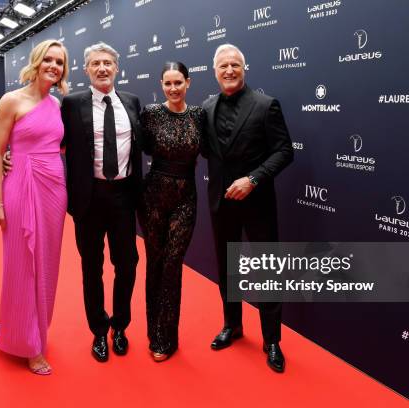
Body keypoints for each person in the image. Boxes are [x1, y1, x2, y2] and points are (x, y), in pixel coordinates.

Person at [202, 44, 293, 372]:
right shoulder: (207, 106)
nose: (229, 70)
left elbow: (284, 151)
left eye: (234, 65)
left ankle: (272, 340)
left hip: (257, 203)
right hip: (220, 201)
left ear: (244, 68)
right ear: (214, 71)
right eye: (223, 65)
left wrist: (253, 178)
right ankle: (233, 325)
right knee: (228, 267)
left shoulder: (265, 105)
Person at [0, 39, 69, 375]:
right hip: (20, 186)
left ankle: (38, 330)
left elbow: (54, 145)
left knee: (46, 264)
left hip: (53, 190)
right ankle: (26, 342)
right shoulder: (11, 100)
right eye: (48, 59)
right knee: (21, 264)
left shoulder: (56, 103)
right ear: (36, 61)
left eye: (59, 62)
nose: (53, 66)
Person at [61, 42, 142, 362]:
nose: (102, 68)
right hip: (88, 198)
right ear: (87, 70)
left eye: (108, 62)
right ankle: (98, 330)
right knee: (91, 267)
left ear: (117, 68)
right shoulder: (71, 103)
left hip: (124, 197)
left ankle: (120, 326)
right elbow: (50, 137)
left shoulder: (132, 102)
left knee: (127, 264)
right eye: (96, 63)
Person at [138, 62, 205, 362]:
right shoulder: (151, 114)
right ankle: (154, 330)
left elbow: (218, 148)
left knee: (172, 262)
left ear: (188, 83)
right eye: (168, 83)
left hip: (185, 197)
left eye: (179, 82)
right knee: (155, 262)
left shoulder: (199, 116)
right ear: (161, 84)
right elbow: (126, 144)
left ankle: (167, 337)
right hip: (152, 196)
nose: (173, 88)